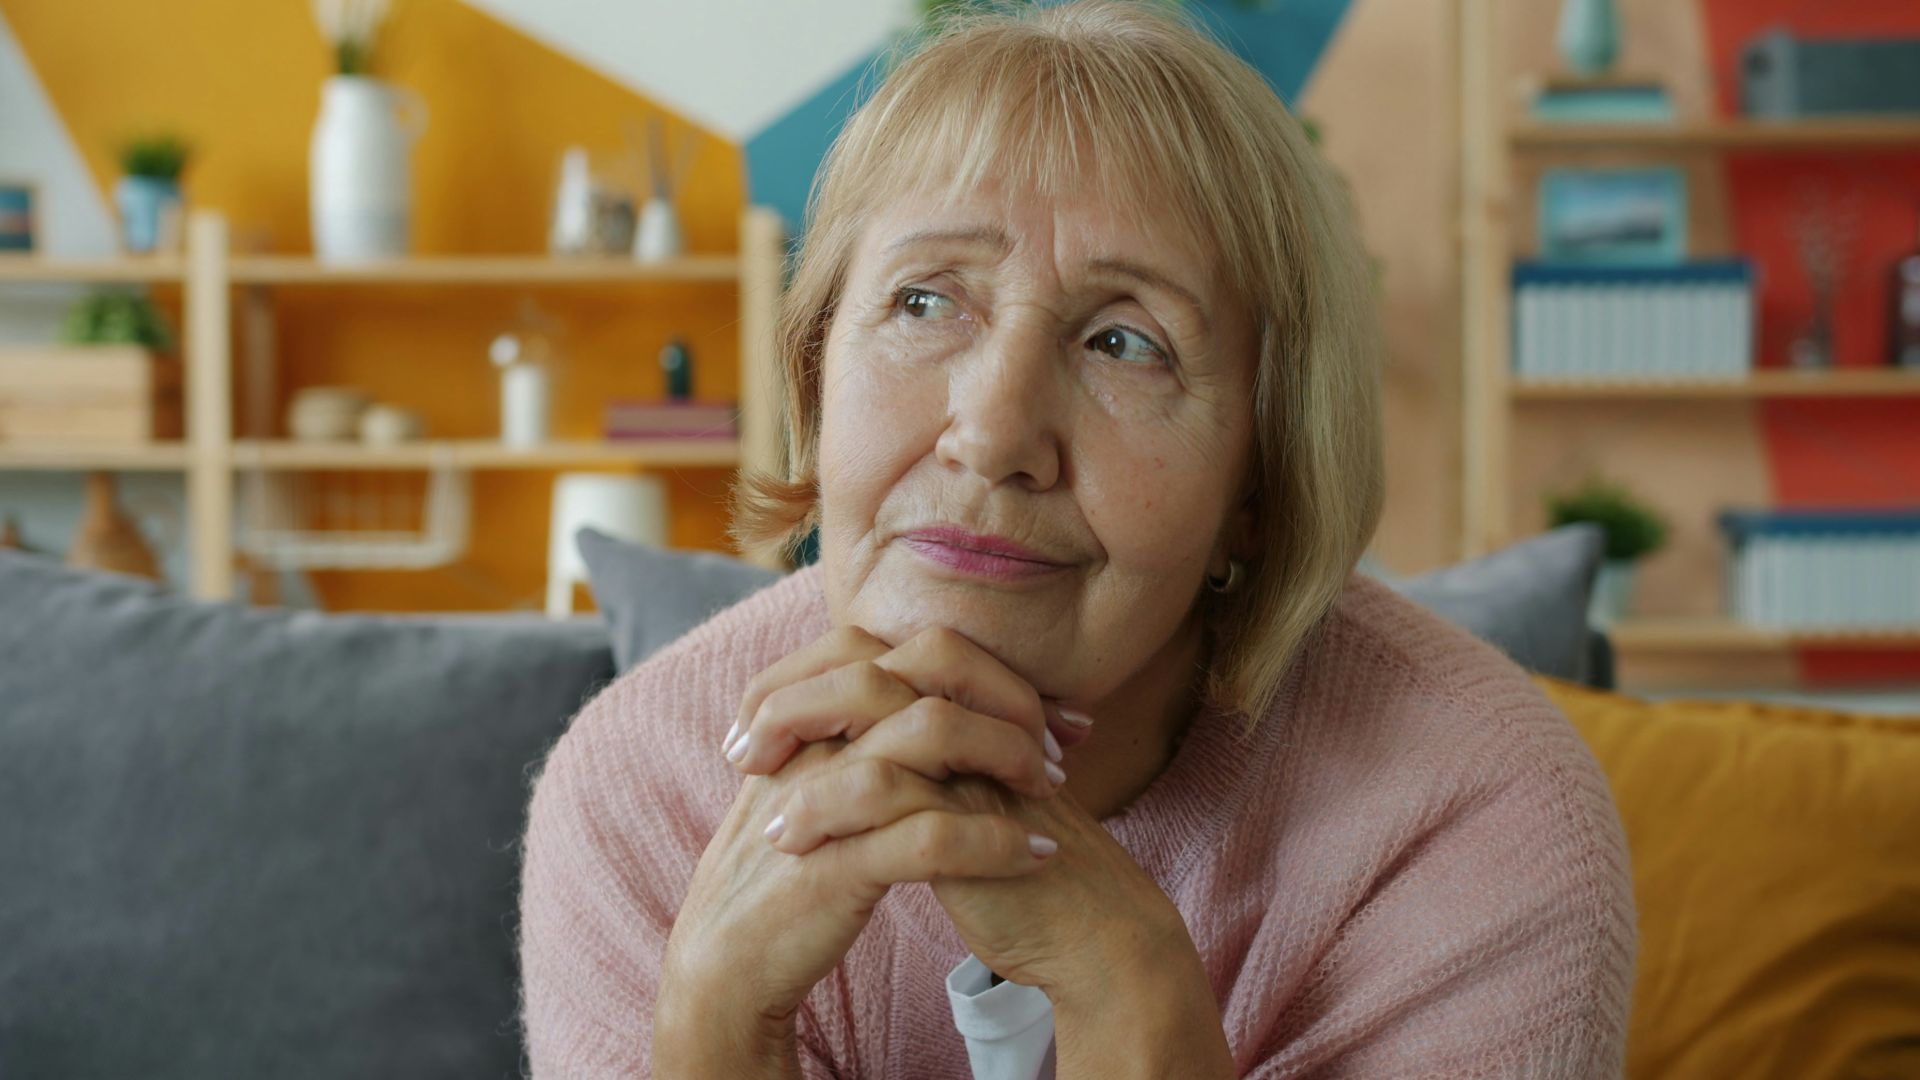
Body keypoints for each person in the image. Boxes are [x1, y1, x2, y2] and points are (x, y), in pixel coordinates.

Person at [517, 2, 1636, 1076]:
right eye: (923, 303)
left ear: (1261, 480)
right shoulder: (643, 794)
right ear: (815, 377)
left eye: (1124, 342)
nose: (994, 434)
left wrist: (1133, 990)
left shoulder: (1476, 818)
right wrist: (713, 1024)